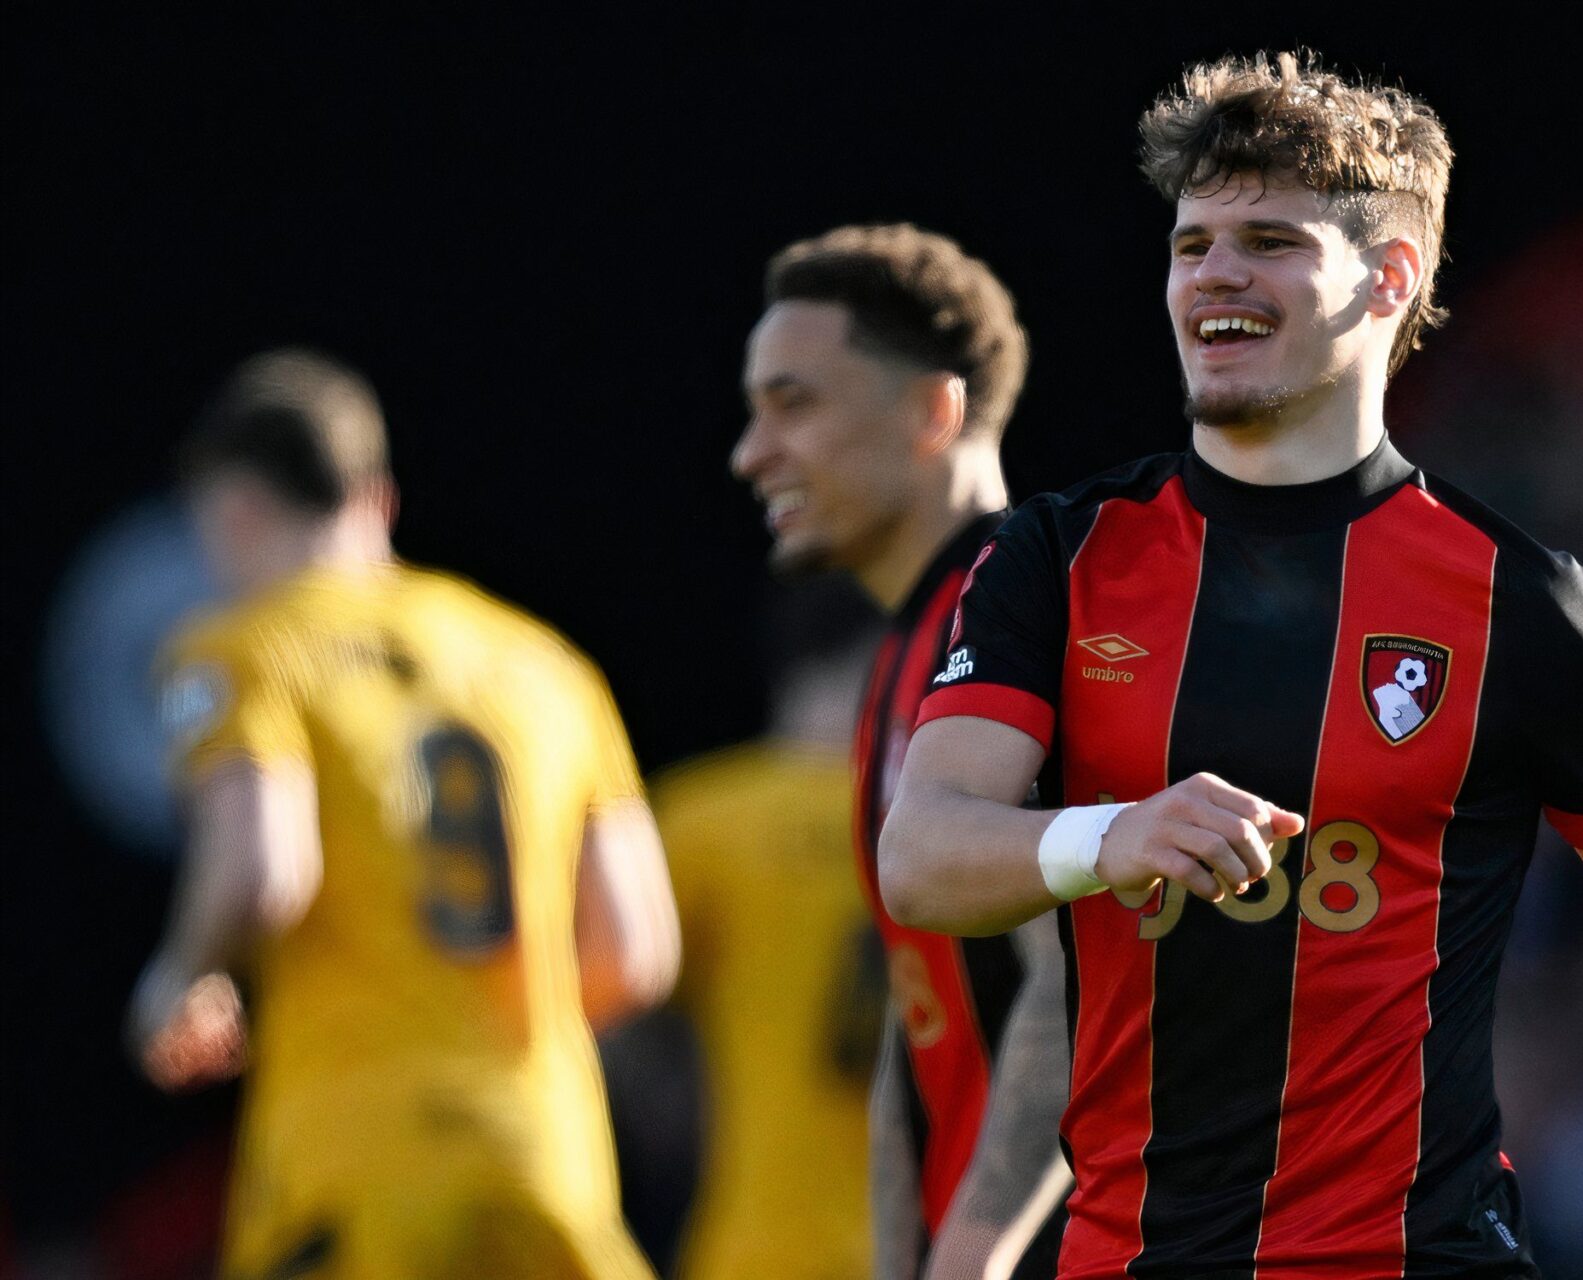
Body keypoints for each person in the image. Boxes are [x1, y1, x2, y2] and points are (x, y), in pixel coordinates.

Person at [880, 54, 1583, 1279]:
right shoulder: (1056, 561)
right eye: (1192, 245)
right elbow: (921, 854)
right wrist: (1107, 834)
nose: (1214, 273)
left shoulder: (1524, 603)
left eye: (1270, 241)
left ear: (1388, 277)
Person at [128, 349, 679, 1279]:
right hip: (544, 1153)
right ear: (378, 501)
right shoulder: (550, 665)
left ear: (235, 508)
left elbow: (267, 866)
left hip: (355, 1155)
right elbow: (637, 952)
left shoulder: (243, 647)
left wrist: (181, 974)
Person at [730, 223, 1070, 1278]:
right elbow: (921, 1022)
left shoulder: (1034, 625)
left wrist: (972, 1250)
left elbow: (1084, 985)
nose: (751, 453)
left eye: (794, 404)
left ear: (933, 412)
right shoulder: (908, 649)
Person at [648, 579, 882, 1279]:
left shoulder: (707, 820)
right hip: (930, 1249)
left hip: (760, 1245)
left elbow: (602, 1002)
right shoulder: (958, 838)